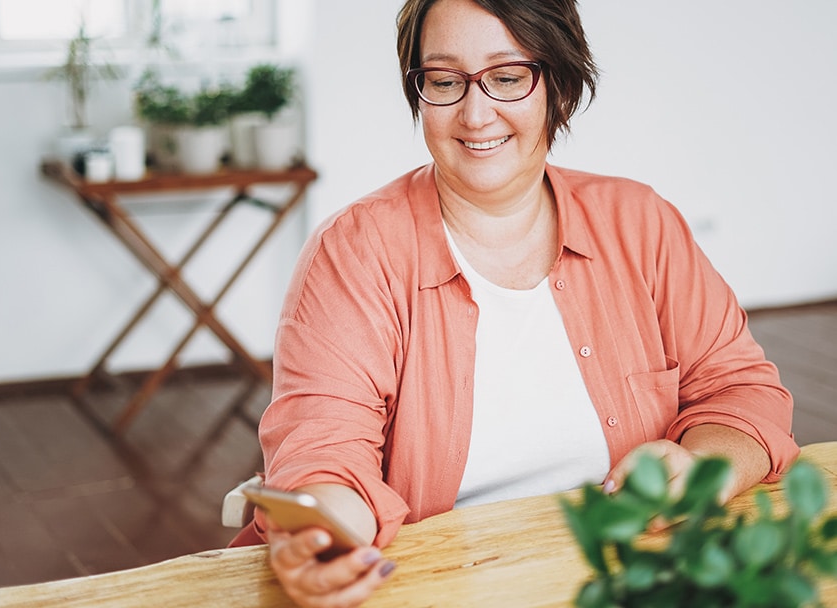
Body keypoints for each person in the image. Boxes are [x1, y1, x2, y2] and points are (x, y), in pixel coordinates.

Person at [229, 0, 800, 605]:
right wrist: (324, 535)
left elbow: (740, 389)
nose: (476, 115)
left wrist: (702, 470)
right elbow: (324, 450)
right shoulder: (353, 252)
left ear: (558, 84)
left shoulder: (641, 222)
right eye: (445, 81)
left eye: (506, 77)